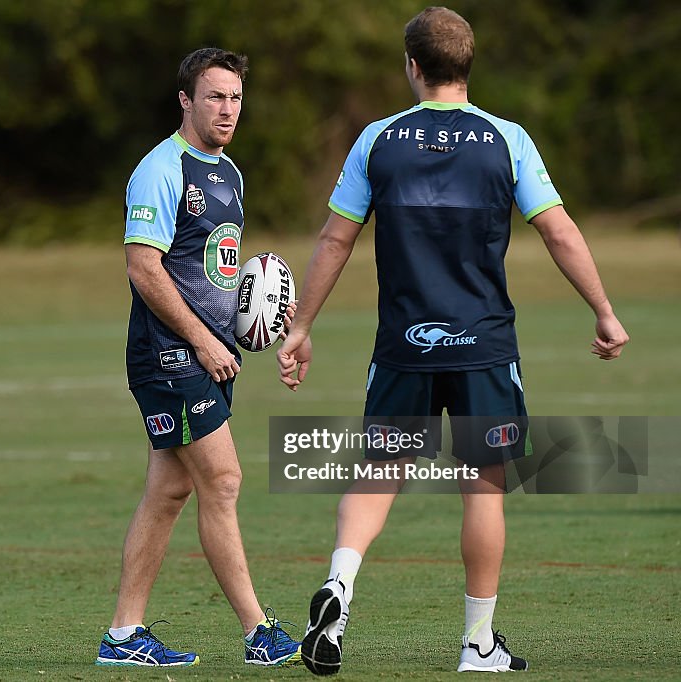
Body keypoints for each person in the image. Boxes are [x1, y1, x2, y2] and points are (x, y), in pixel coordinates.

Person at [276, 7, 628, 674]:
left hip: (403, 346)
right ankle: (477, 644)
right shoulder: (507, 138)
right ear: (468, 66)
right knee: (483, 489)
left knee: (379, 473)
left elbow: (335, 240)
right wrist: (604, 310)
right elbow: (559, 230)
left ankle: (341, 586)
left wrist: (300, 328)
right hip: (483, 348)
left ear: (412, 66)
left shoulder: (376, 140)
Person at [95, 47, 301, 668]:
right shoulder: (161, 168)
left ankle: (124, 636)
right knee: (224, 479)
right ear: (185, 100)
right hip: (170, 357)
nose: (228, 109)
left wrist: (263, 318)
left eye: (236, 98)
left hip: (211, 355)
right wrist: (204, 341)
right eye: (215, 96)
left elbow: (215, 267)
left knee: (168, 492)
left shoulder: (230, 173)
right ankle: (258, 632)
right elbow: (144, 268)